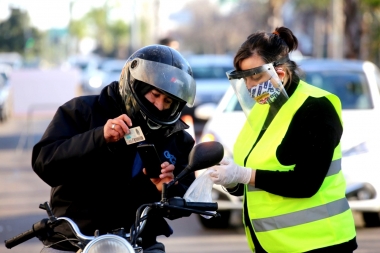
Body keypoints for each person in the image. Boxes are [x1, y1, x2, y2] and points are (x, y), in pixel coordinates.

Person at [32, 44, 197, 253]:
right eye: (155, 94)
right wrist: (98, 137)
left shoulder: (177, 138)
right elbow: (45, 163)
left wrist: (167, 187)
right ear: (135, 85)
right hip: (79, 241)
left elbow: (185, 201)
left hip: (139, 242)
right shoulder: (82, 112)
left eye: (168, 101)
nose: (159, 106)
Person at [208, 27, 358, 252]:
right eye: (244, 78)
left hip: (320, 242)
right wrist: (231, 181)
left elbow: (306, 183)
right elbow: (253, 183)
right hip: (274, 245)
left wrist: (243, 175)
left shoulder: (317, 106)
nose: (249, 86)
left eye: (255, 76)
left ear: (280, 72)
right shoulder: (262, 110)